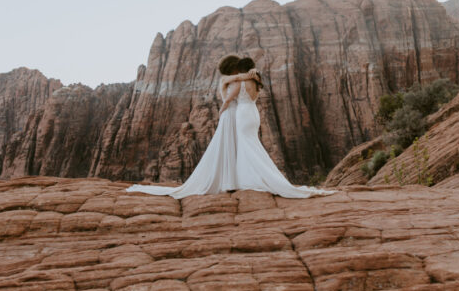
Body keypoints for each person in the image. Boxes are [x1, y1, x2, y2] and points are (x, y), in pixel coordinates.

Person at [126, 54, 333, 199]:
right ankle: (241, 179)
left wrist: (223, 110)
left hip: (238, 114)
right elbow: (242, 80)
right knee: (246, 145)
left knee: (244, 146)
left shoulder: (237, 82)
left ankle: (241, 180)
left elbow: (230, 95)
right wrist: (253, 74)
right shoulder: (243, 80)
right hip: (248, 113)